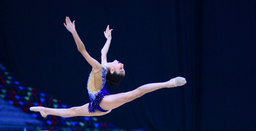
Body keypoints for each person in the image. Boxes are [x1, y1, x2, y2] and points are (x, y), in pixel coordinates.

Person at [30, 16, 186, 118]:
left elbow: (82, 50)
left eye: (121, 67)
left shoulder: (98, 68)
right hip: (98, 104)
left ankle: (169, 83)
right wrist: (109, 38)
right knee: (73, 111)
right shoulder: (103, 66)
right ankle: (46, 111)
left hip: (102, 102)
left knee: (135, 93)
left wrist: (73, 32)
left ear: (113, 70)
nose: (121, 64)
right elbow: (103, 51)